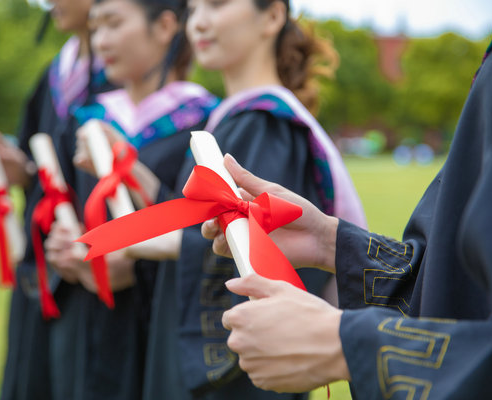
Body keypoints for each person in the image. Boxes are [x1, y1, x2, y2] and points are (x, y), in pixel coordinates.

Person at [203, 2, 492, 398]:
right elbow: (457, 286)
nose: (197, 20)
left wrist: (345, 342)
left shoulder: (265, 121)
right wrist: (330, 241)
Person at [140, 0, 366, 399]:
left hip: (245, 378)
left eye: (217, 4)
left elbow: (260, 252)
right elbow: (199, 219)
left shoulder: (263, 124)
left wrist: (151, 241)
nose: (200, 22)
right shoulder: (235, 120)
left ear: (274, 16)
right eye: (193, 9)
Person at [44, 0, 219, 398]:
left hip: (162, 328)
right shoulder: (87, 121)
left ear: (165, 26)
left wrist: (134, 266)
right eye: (96, 26)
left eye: (114, 24)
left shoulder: (205, 124)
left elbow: (205, 236)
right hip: (92, 326)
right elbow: (63, 208)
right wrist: (64, 253)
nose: (100, 40)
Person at [0, 0, 112, 398]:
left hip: (94, 274)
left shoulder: (126, 78)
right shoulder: (54, 74)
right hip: (40, 263)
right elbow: (39, 169)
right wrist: (22, 171)